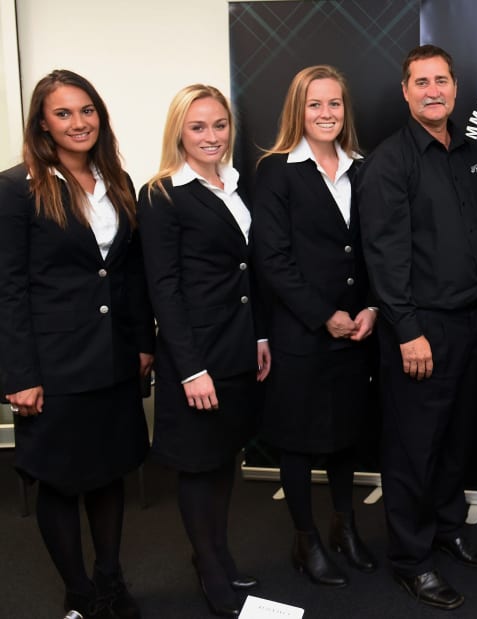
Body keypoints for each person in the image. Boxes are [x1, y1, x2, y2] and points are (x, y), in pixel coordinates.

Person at [0, 70, 154, 619]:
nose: (78, 122)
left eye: (87, 110)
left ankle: (110, 579)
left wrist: (141, 344)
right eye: (63, 113)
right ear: (42, 122)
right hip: (54, 366)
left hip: (113, 357)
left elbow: (128, 274)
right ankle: (79, 592)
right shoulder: (15, 188)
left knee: (109, 470)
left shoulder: (118, 181)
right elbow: (9, 288)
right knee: (61, 482)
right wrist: (18, 374)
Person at [358, 45, 477, 611]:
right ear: (405, 91)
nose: (432, 91)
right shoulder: (390, 162)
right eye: (420, 82)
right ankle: (411, 559)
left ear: (455, 86)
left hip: (473, 323)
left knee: (453, 441)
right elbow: (385, 256)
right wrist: (407, 330)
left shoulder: (471, 155)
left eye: (441, 80)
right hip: (421, 330)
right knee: (412, 449)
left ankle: (447, 530)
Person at [137, 85, 269, 616]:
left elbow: (247, 271)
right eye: (198, 127)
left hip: (238, 348)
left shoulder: (236, 185)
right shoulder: (163, 194)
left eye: (219, 125)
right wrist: (191, 369)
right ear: (179, 133)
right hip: (196, 357)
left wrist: (259, 336)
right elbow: (162, 289)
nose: (211, 136)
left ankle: (221, 556)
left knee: (223, 460)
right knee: (198, 466)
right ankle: (209, 567)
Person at [253, 65, 377, 589]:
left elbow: (375, 250)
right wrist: (323, 314)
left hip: (356, 329)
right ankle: (306, 540)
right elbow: (272, 259)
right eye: (314, 105)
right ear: (298, 111)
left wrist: (372, 307)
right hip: (303, 331)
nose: (326, 114)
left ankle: (344, 526)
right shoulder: (277, 170)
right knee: (300, 442)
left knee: (346, 436)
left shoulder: (363, 167)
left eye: (334, 104)